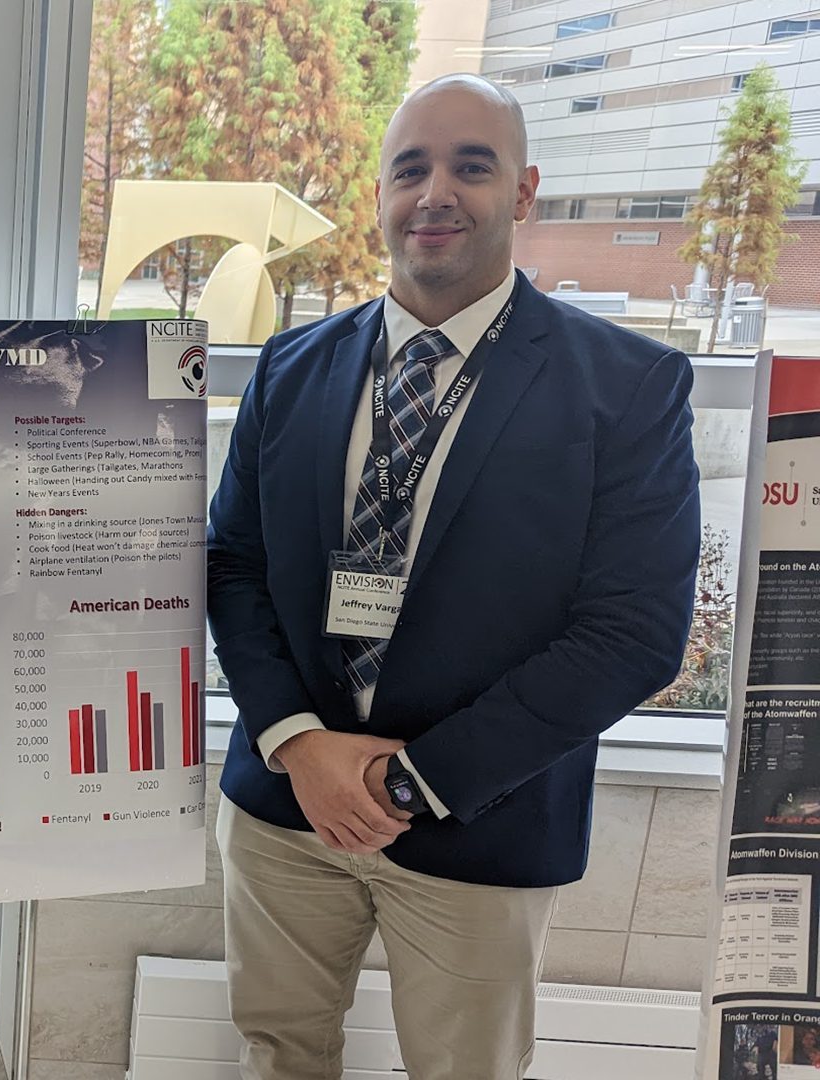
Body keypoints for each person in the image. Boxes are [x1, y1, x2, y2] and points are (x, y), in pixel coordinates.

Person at [205, 73, 698, 1080]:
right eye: (411, 169)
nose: (437, 194)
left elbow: (632, 633)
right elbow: (236, 562)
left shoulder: (628, 389)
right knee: (275, 1055)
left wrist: (409, 781)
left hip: (482, 818)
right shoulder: (290, 368)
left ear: (522, 192)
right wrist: (300, 745)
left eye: (472, 167)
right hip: (288, 805)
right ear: (379, 193)